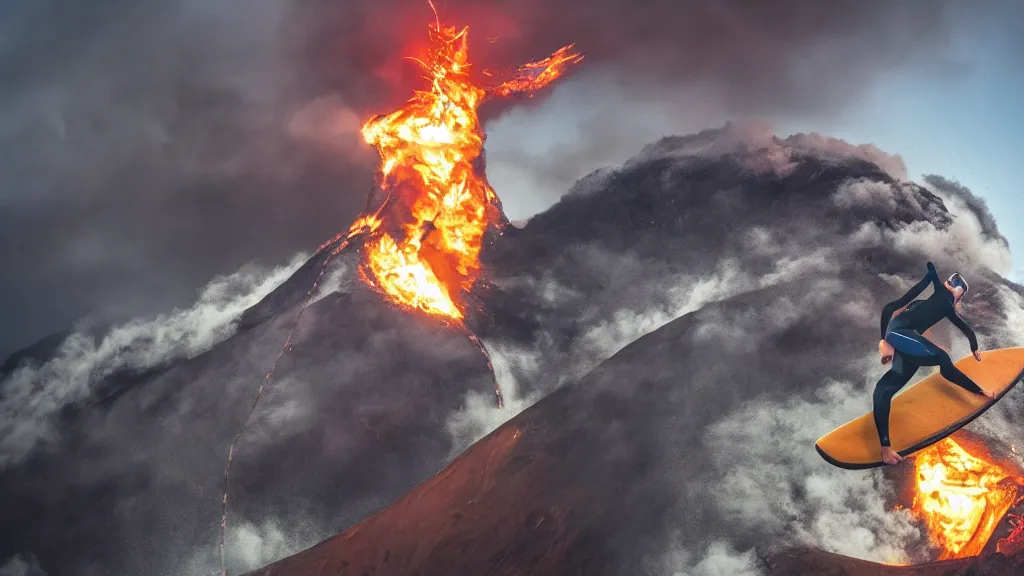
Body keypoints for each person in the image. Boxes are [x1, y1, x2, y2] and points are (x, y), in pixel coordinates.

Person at [873, 261, 995, 465]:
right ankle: (979, 391)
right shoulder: (947, 301)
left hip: (905, 339)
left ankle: (885, 448)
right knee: (942, 358)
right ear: (958, 292)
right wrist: (885, 340)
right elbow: (966, 328)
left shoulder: (941, 300)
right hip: (899, 334)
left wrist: (931, 273)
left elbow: (966, 329)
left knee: (883, 389)